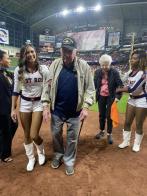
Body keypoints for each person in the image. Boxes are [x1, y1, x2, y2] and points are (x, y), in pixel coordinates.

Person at [42, 37, 95, 175]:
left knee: (72, 139)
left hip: (75, 112)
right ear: (60, 50)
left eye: (69, 51)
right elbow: (47, 87)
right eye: (64, 51)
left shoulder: (84, 66)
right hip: (57, 110)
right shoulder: (54, 64)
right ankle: (58, 155)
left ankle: (69, 160)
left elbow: (90, 89)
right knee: (55, 135)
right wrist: (46, 106)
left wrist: (86, 106)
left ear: (76, 51)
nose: (66, 55)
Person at [11, 44, 49, 171]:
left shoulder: (43, 68)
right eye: (27, 52)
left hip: (38, 103)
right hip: (25, 104)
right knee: (26, 135)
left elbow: (48, 88)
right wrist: (13, 109)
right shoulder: (19, 70)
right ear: (23, 55)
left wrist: (46, 106)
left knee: (34, 134)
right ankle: (31, 158)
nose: (30, 54)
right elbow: (16, 91)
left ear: (35, 53)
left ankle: (41, 152)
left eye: (32, 51)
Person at [117, 49, 147, 152]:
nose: (131, 60)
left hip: (142, 101)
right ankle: (126, 142)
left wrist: (118, 89)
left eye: (134, 58)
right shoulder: (130, 71)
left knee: (139, 124)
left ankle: (137, 144)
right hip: (131, 99)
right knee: (127, 122)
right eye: (131, 58)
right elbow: (121, 80)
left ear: (141, 60)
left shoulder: (144, 74)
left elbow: (133, 88)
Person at [94, 54, 123, 144]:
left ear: (110, 64)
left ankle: (109, 134)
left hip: (111, 97)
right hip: (101, 96)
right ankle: (102, 131)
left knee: (109, 116)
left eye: (106, 64)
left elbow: (120, 85)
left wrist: (118, 97)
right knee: (101, 115)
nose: (104, 67)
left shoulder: (115, 72)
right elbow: (94, 84)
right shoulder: (98, 72)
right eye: (102, 65)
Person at [0, 50, 18, 163]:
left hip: (8, 109)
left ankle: (3, 148)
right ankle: (4, 154)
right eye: (8, 58)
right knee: (5, 130)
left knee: (13, 126)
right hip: (2, 110)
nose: (10, 60)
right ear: (1, 60)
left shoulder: (7, 73)